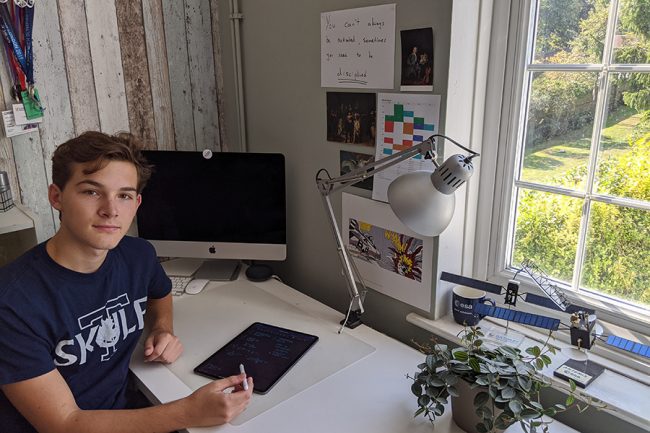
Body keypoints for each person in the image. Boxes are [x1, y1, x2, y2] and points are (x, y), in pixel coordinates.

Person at [0, 131, 253, 433]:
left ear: (137, 203)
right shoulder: (12, 303)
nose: (111, 209)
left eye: (124, 195)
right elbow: (64, 423)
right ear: (57, 197)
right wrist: (188, 412)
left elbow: (160, 293)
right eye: (91, 192)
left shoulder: (138, 255)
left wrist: (162, 329)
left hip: (124, 412)